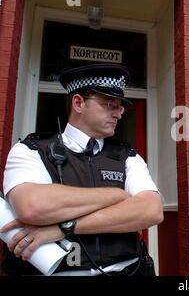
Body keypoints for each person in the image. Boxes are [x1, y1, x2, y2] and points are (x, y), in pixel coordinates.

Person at [0, 63, 163, 276]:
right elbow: (33, 206)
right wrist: (117, 195)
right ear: (78, 103)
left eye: (120, 107)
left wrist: (61, 228)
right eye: (109, 104)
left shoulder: (126, 156)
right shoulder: (31, 149)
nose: (119, 114)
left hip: (128, 271)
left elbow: (151, 210)